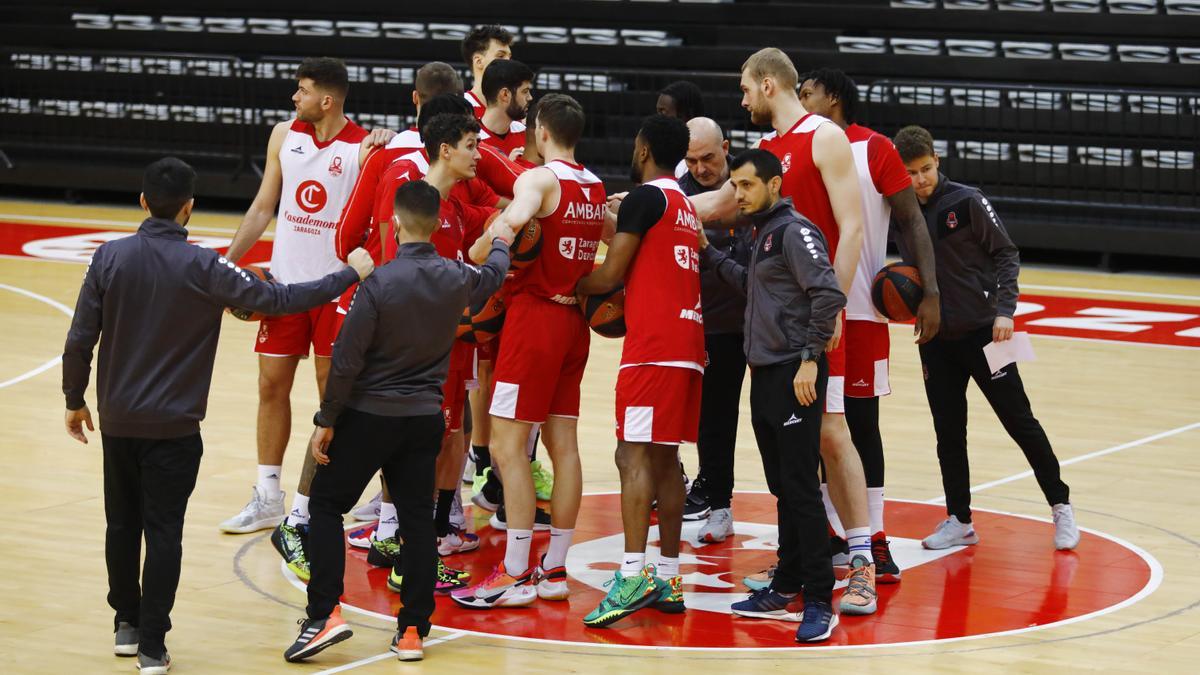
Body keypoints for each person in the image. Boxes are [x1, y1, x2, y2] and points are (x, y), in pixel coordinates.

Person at [63, 158, 373, 674]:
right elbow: (282, 299)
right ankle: (152, 648)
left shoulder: (108, 258)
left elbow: (80, 338)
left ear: (142, 202)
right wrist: (350, 273)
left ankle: (126, 624)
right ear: (189, 208)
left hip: (118, 425)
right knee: (164, 531)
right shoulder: (206, 267)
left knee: (122, 524)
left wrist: (75, 399)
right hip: (176, 429)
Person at [284, 180, 513, 664]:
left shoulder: (379, 284)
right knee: (417, 522)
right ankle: (412, 631)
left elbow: (345, 361)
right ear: (434, 224)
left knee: (324, 507)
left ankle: (324, 614)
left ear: (395, 222)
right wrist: (501, 241)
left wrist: (326, 419)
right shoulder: (456, 276)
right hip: (424, 419)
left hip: (369, 416)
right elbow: (492, 277)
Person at [690, 47, 876, 614]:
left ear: (768, 85)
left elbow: (852, 228)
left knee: (834, 433)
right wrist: (653, 203)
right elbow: (719, 205)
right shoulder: (766, 154)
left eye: (746, 89)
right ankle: (801, 560)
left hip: (817, 319)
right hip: (773, 326)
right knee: (793, 449)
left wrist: (833, 310)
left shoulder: (824, 137)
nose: (741, 100)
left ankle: (863, 560)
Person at [217, 58, 388, 582]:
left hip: (337, 291)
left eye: (304, 90)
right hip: (285, 288)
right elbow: (263, 206)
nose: (295, 97)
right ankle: (268, 494)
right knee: (271, 386)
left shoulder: (365, 148)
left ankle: (323, 503)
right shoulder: (281, 136)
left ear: (328, 100)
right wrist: (224, 264)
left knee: (330, 402)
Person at [892, 126, 1080, 551]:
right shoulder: (899, 210)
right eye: (911, 173)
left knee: (1021, 422)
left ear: (937, 161)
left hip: (989, 332)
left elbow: (1006, 254)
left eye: (925, 169)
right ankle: (959, 519)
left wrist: (1005, 311)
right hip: (935, 338)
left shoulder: (968, 200)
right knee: (948, 431)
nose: (920, 179)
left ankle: (1061, 506)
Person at [452, 94, 606, 610]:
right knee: (565, 447)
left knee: (505, 448)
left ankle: (515, 571)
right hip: (573, 322)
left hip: (535, 319)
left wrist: (477, 253)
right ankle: (555, 568)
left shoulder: (539, 180)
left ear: (540, 131)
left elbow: (509, 224)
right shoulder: (594, 185)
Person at [797, 67, 941, 582]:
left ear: (832, 97)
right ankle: (829, 533)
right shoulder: (793, 146)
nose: (800, 99)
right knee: (812, 431)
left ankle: (873, 538)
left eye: (807, 92)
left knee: (861, 428)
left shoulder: (874, 148)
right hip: (808, 311)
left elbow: (911, 220)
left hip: (861, 312)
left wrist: (932, 291)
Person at [700, 149, 846, 643]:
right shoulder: (760, 232)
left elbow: (828, 294)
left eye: (746, 185)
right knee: (783, 484)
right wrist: (708, 252)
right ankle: (786, 583)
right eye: (735, 185)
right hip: (765, 372)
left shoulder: (793, 230)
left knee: (801, 485)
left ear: (775, 184)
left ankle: (821, 601)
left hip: (793, 371)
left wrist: (809, 359)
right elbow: (752, 286)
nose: (737, 194)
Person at [575, 115, 702, 628]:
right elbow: (642, 253)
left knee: (631, 455)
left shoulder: (646, 198)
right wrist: (613, 226)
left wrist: (559, 284)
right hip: (688, 345)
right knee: (666, 460)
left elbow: (609, 273)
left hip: (653, 348)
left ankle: (631, 575)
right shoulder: (683, 205)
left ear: (643, 147)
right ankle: (668, 577)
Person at [676, 118, 752, 543]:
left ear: (726, 147)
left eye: (708, 157)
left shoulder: (750, 181)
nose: (700, 168)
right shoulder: (677, 190)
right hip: (709, 325)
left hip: (759, 320)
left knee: (774, 421)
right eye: (692, 160)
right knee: (714, 419)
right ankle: (719, 504)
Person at [479, 59, 534, 158]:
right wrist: (509, 166)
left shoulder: (525, 133)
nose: (530, 97)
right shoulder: (473, 141)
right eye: (525, 91)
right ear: (505, 94)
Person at [461, 25, 515, 118]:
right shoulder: (461, 109)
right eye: (501, 56)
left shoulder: (515, 110)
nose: (509, 62)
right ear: (479, 61)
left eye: (509, 57)